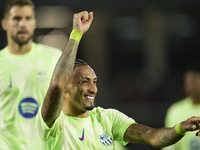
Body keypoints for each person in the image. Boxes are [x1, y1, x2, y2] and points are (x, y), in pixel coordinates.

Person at [35, 11, 200, 150]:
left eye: (95, 81)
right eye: (84, 82)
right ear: (66, 88)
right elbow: (56, 84)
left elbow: (152, 136)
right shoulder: (54, 124)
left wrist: (181, 128)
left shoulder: (107, 119)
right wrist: (76, 34)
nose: (93, 88)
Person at [0, 0, 61, 150]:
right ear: (4, 24)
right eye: (16, 19)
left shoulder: (54, 58)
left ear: (34, 23)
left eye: (27, 19)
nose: (22, 24)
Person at [162, 63, 200, 150]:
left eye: (194, 81)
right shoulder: (175, 110)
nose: (190, 86)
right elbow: (169, 145)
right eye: (187, 82)